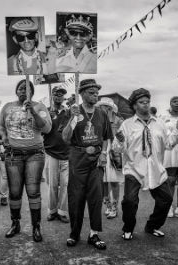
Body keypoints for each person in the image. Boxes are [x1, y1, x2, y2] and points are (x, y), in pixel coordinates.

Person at [113, 88, 178, 240]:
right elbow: (118, 148)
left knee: (166, 200)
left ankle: (152, 226)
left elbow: (169, 144)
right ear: (134, 105)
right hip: (134, 169)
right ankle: (128, 228)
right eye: (141, 102)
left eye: (147, 102)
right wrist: (119, 140)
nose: (145, 105)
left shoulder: (159, 123)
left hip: (156, 169)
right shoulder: (126, 125)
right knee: (129, 201)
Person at [0, 80, 51, 242]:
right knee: (14, 192)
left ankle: (36, 226)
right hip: (13, 155)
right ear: (16, 91)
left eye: (26, 89)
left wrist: (33, 112)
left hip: (34, 154)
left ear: (31, 92)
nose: (22, 91)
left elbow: (47, 128)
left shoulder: (40, 107)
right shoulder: (7, 107)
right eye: (20, 88)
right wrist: (4, 137)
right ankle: (15, 223)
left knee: (33, 191)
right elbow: (0, 126)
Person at [62, 79, 112, 250]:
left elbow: (106, 137)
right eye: (91, 92)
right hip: (78, 158)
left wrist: (104, 153)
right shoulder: (75, 112)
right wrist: (73, 118)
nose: (95, 95)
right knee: (76, 198)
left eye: (96, 92)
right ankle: (74, 234)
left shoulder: (102, 113)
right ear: (82, 94)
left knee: (96, 197)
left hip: (96, 159)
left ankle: (94, 234)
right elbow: (66, 138)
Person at [43, 86, 70, 223]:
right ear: (52, 96)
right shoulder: (46, 112)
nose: (59, 97)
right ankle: (52, 210)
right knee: (52, 184)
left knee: (65, 184)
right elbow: (42, 130)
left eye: (61, 94)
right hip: (51, 152)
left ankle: (62, 211)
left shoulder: (69, 112)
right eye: (56, 94)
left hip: (67, 152)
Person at [95, 97, 124, 219]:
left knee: (114, 181)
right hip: (101, 151)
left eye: (104, 107)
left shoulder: (118, 121)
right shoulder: (98, 120)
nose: (102, 109)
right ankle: (107, 204)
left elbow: (123, 139)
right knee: (103, 181)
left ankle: (114, 207)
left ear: (109, 108)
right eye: (101, 107)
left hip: (113, 152)